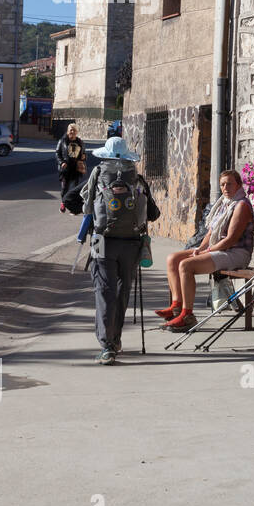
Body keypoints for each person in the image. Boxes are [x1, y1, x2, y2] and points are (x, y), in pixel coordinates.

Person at [81, 136, 159, 365]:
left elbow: (80, 203)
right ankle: (115, 340)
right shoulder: (138, 180)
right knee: (122, 291)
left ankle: (106, 346)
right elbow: (153, 214)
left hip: (100, 239)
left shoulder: (98, 175)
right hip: (132, 241)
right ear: (127, 158)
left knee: (103, 290)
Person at [157, 170, 254, 331]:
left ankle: (187, 316)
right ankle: (176, 306)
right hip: (220, 249)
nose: (225, 187)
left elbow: (230, 239)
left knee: (186, 266)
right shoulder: (225, 203)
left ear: (238, 185)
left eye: (229, 183)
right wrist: (200, 249)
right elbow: (211, 233)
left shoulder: (241, 205)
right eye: (222, 184)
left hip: (236, 253)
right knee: (173, 259)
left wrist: (205, 252)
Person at [56, 124, 86, 212]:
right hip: (65, 169)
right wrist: (61, 162)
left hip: (76, 168)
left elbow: (83, 153)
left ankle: (74, 206)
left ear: (77, 132)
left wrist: (84, 157)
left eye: (74, 130)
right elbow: (57, 153)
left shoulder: (80, 142)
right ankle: (63, 203)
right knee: (65, 188)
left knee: (75, 188)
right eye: (70, 130)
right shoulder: (62, 141)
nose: (72, 132)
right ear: (68, 130)